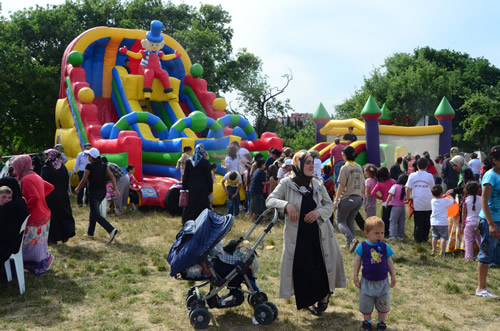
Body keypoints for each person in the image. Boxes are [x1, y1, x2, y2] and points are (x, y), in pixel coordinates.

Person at [266, 151, 346, 316]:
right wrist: (286, 204)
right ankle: (308, 301)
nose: (311, 165)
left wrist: (318, 213)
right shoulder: (287, 183)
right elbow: (270, 200)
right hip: (298, 236)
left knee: (321, 265)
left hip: (319, 234)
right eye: (307, 162)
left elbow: (329, 205)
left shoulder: (317, 184)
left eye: (312, 162)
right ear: (298, 165)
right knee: (303, 268)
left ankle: (324, 296)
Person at [12, 155, 55, 275]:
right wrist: (41, 198)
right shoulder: (35, 176)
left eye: (15, 168)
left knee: (30, 244)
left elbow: (34, 197)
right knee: (38, 243)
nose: (14, 171)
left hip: (35, 216)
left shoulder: (26, 179)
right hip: (44, 213)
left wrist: (24, 206)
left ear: (22, 166)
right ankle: (44, 261)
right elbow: (50, 187)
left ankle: (38, 265)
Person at [353, 216, 396, 331]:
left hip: (382, 282)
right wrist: (355, 275)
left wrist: (393, 275)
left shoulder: (385, 246)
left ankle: (381, 322)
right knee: (366, 303)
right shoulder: (363, 246)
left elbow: (389, 261)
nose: (380, 236)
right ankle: (367, 322)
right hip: (367, 282)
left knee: (383, 302)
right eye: (376, 233)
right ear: (366, 233)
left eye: (382, 233)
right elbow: (357, 261)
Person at [75, 148, 119, 243]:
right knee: (93, 211)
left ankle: (111, 230)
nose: (88, 158)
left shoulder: (89, 166)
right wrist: (116, 189)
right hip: (102, 192)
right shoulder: (104, 165)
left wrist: (78, 188)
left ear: (92, 157)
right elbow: (112, 176)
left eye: (88, 156)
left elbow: (84, 180)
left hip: (93, 192)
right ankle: (90, 233)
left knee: (95, 214)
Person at [476, 146, 500, 298]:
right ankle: (481, 288)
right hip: (491, 220)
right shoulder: (491, 176)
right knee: (486, 253)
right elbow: (484, 200)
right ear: (495, 160)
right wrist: (491, 223)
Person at [41, 149, 75, 244]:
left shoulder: (46, 168)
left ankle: (54, 238)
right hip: (63, 195)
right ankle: (65, 234)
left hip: (50, 196)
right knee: (63, 214)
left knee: (53, 217)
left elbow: (43, 182)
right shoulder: (63, 167)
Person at [334, 146, 365, 251]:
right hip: (358, 199)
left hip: (347, 198)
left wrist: (336, 200)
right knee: (350, 221)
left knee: (340, 221)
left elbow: (341, 185)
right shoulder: (359, 167)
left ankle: (351, 240)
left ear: (345, 155)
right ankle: (349, 244)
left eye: (342, 154)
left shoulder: (345, 167)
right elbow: (363, 184)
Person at [0, 177, 30, 266]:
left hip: (7, 244)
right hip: (13, 240)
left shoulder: (11, 206)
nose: (6, 198)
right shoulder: (20, 201)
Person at [181, 144, 213, 224]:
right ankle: (203, 221)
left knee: (190, 205)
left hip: (191, 187)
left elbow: (186, 176)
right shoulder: (205, 162)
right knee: (202, 205)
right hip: (203, 188)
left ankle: (187, 221)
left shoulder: (189, 162)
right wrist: (210, 189)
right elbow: (209, 178)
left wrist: (184, 187)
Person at [406, 158, 434, 243]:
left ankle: (418, 239)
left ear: (417, 166)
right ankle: (425, 237)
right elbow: (433, 188)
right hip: (428, 202)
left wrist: (408, 199)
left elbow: (407, 189)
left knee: (418, 222)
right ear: (427, 166)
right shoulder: (429, 176)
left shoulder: (412, 175)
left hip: (417, 202)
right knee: (427, 222)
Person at [430, 185, 454, 256]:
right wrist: (449, 195)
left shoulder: (432, 201)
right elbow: (453, 202)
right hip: (442, 223)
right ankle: (442, 251)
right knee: (443, 237)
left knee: (434, 237)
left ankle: (433, 250)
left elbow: (439, 199)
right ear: (442, 192)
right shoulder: (445, 201)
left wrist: (442, 196)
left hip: (433, 222)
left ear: (432, 194)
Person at [371, 167, 396, 237]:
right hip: (394, 202)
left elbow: (373, 193)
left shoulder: (379, 183)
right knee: (393, 218)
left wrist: (381, 197)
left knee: (385, 219)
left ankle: (385, 232)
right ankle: (394, 232)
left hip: (385, 203)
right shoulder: (393, 181)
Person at [462, 181, 482, 261]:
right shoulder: (481, 199)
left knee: (468, 240)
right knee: (481, 240)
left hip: (469, 222)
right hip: (479, 222)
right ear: (478, 190)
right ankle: (484, 255)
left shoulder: (466, 200)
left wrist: (463, 223)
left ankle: (469, 257)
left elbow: (464, 214)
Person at [386, 174, 408, 241]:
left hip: (395, 207)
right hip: (402, 207)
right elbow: (406, 198)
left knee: (393, 221)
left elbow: (390, 195)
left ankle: (393, 236)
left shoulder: (395, 186)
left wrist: (387, 203)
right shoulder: (405, 188)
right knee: (401, 222)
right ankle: (400, 236)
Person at [73, 143, 92, 207]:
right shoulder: (80, 155)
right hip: (82, 172)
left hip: (90, 172)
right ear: (84, 148)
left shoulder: (92, 155)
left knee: (88, 187)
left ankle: (87, 202)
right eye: (87, 148)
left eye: (89, 148)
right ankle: (79, 203)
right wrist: (75, 173)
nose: (88, 150)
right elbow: (76, 164)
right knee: (81, 187)